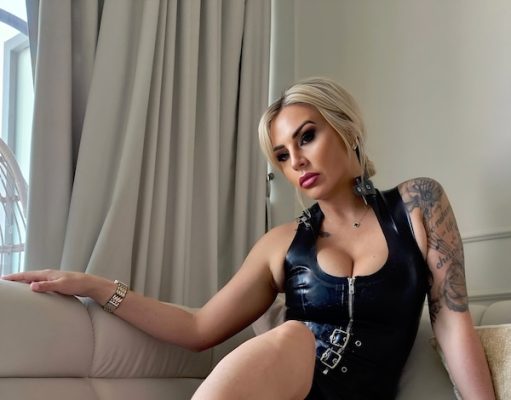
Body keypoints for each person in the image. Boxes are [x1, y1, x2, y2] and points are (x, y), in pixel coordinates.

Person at [2, 77, 495, 399]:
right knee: (294, 335)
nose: (296, 160)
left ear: (347, 130)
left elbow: (452, 324)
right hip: (290, 389)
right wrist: (95, 286)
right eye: (281, 155)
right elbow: (198, 327)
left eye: (307, 136)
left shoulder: (418, 203)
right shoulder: (282, 243)